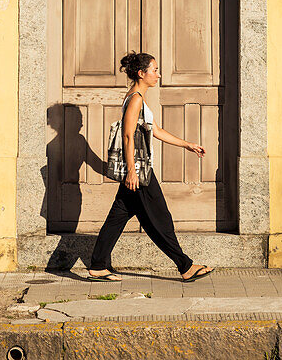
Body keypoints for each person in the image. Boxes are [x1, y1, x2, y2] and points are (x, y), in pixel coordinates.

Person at [87, 51, 215, 283]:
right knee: (160, 219)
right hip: (139, 170)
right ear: (141, 73)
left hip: (138, 169)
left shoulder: (139, 98)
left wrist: (187, 144)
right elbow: (127, 136)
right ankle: (185, 266)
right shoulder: (135, 99)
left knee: (118, 216)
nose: (158, 74)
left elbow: (156, 130)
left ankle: (97, 265)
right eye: (154, 70)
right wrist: (132, 172)